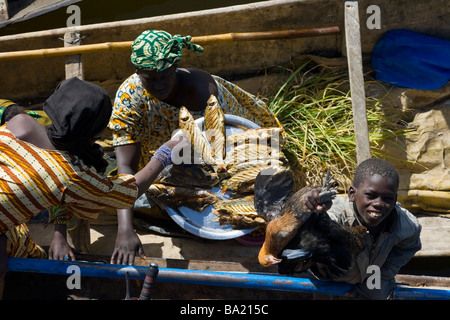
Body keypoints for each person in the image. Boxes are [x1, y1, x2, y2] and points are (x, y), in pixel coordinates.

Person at [108, 29, 283, 265]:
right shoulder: (129, 98)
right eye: (150, 77)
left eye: (165, 76)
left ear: (176, 68)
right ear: (138, 72)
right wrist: (125, 229)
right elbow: (125, 166)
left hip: (219, 146)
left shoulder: (201, 93)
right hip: (165, 149)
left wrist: (174, 152)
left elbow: (217, 149)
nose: (159, 85)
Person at [0, 77, 180, 298]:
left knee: (20, 245)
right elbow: (128, 191)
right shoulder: (71, 175)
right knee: (25, 266)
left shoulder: (19, 121)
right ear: (92, 135)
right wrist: (166, 152)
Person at [304, 158, 422, 299]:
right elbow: (317, 230)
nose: (378, 204)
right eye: (371, 196)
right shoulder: (338, 213)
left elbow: (407, 247)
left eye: (387, 198)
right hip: (329, 282)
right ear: (352, 194)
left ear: (395, 199)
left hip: (369, 277)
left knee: (376, 293)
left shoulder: (405, 224)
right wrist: (316, 212)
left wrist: (381, 277)